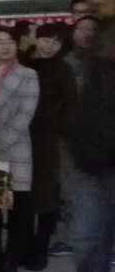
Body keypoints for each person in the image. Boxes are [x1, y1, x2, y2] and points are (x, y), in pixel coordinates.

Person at [42, 0, 115, 272]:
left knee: (90, 242)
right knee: (89, 243)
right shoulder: (100, 32)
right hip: (92, 159)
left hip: (104, 158)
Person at [0, 25, 40, 272]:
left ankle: (12, 261)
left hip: (15, 149)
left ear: (17, 45)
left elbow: (25, 115)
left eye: (9, 41)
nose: (4, 46)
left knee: (18, 210)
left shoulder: (28, 74)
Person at [25, 22, 74, 270]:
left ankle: (40, 249)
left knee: (45, 196)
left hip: (47, 140)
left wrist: (56, 128)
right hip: (19, 136)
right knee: (21, 194)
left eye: (56, 42)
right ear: (37, 38)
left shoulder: (63, 69)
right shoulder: (25, 64)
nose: (49, 46)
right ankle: (22, 246)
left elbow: (71, 105)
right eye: (45, 39)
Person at [51, 14, 101, 257]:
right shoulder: (65, 62)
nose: (86, 32)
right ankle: (70, 238)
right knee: (69, 189)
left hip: (103, 138)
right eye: (81, 28)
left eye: (92, 28)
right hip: (69, 138)